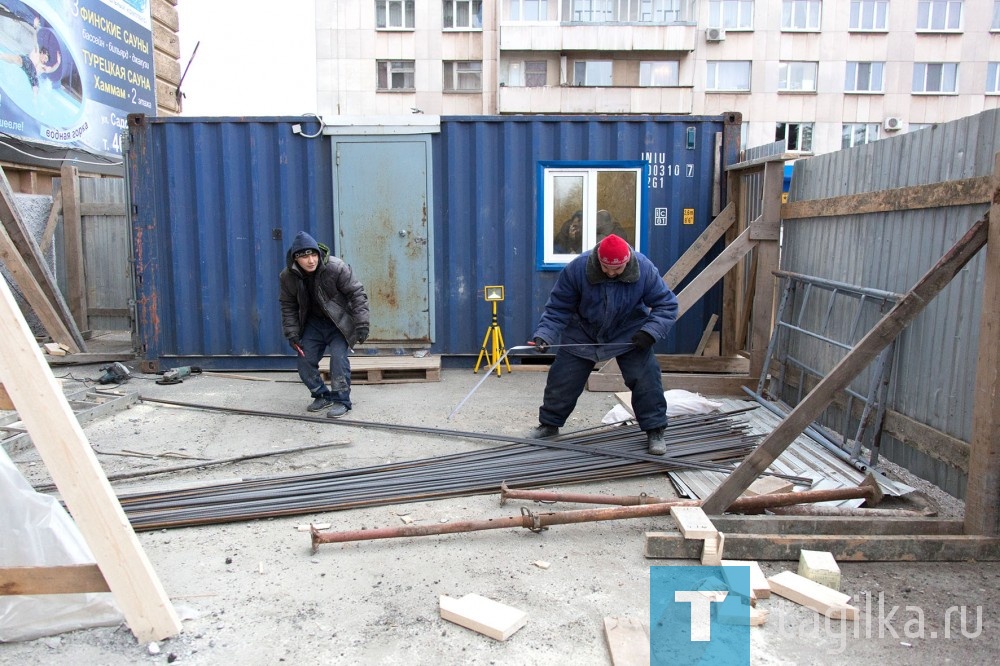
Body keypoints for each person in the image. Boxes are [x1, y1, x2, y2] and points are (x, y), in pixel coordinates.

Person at [528, 233, 678, 454]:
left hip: (629, 333)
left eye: (616, 270)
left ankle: (655, 430)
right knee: (563, 379)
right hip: (583, 332)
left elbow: (667, 305)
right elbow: (559, 308)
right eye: (605, 267)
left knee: (646, 377)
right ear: (598, 258)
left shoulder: (644, 269)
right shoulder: (578, 268)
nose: (610, 272)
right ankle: (549, 425)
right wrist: (545, 335)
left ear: (627, 261)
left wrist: (650, 332)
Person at [279, 231, 370, 418]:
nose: (311, 260)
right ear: (296, 259)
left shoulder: (336, 268)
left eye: (313, 255)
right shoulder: (288, 277)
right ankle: (321, 394)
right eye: (305, 257)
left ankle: (342, 400)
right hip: (313, 325)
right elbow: (288, 305)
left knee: (338, 360)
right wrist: (292, 333)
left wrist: (362, 324)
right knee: (304, 361)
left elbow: (357, 294)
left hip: (339, 323)